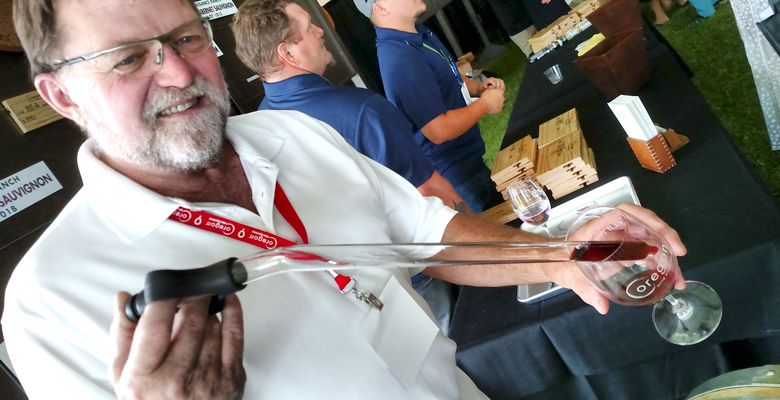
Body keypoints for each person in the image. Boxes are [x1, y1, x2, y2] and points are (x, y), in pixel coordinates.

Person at [3, 0, 687, 398]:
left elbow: (430, 234)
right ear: (62, 95)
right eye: (127, 57)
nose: (178, 72)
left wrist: (560, 255)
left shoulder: (291, 134)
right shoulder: (51, 299)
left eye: (186, 39)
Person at [231, 0, 462, 334]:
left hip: (348, 291)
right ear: (288, 54)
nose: (320, 31)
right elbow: (434, 194)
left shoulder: (260, 129)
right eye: (308, 27)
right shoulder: (362, 110)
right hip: (421, 270)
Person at [354, 0, 506, 213]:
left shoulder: (415, 32)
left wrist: (479, 89)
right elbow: (438, 130)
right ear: (381, 8)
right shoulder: (400, 59)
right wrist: (485, 105)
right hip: (456, 175)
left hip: (467, 159)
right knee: (502, 234)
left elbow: (449, 72)